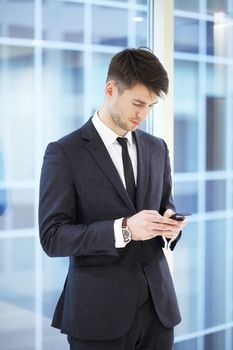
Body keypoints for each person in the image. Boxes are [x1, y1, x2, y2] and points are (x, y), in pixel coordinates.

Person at [39, 48, 187, 350]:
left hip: (158, 313)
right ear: (110, 89)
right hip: (97, 315)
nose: (142, 115)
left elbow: (164, 206)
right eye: (137, 103)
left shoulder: (157, 148)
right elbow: (53, 237)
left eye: (150, 106)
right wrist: (124, 229)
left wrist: (170, 227)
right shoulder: (65, 153)